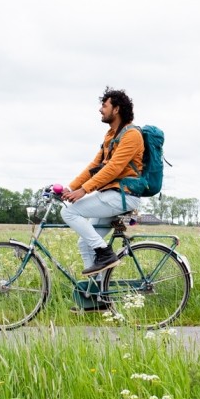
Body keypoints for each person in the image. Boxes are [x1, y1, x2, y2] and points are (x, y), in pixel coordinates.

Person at [58, 87, 144, 277]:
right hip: (109, 195)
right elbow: (94, 165)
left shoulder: (132, 135)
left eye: (104, 105)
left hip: (123, 196)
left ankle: (105, 253)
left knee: (68, 211)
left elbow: (113, 167)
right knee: (86, 242)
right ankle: (98, 296)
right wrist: (71, 187)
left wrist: (84, 190)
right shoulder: (110, 136)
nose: (100, 109)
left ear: (117, 109)